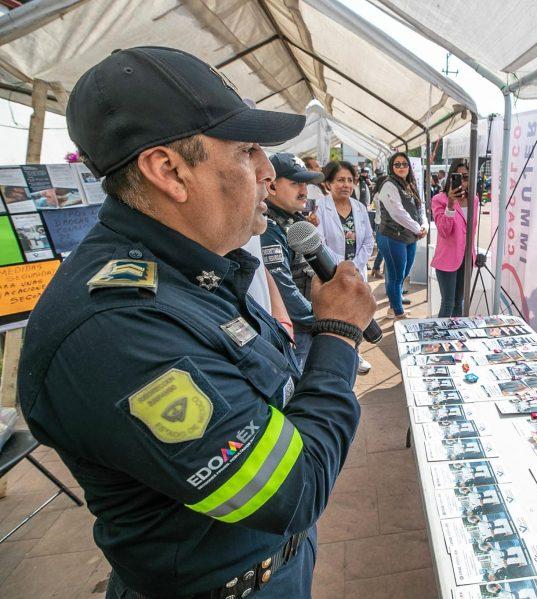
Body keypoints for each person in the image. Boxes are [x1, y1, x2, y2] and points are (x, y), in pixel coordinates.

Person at [18, 47, 376, 599]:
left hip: (276, 567)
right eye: (247, 150)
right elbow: (294, 488)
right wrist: (337, 335)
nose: (266, 171)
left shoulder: (194, 270)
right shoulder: (115, 329)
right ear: (169, 171)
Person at [260, 152, 322, 372]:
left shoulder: (294, 218)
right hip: (296, 329)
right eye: (295, 183)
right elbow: (282, 287)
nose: (304, 190)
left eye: (305, 183)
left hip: (308, 323)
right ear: (272, 187)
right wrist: (319, 318)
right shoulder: (269, 227)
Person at [318, 160, 376, 373]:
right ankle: (337, 360)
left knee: (358, 315)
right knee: (338, 317)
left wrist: (356, 265)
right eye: (340, 180)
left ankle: (356, 353)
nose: (346, 185)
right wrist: (342, 266)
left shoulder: (359, 208)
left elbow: (369, 240)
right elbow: (320, 242)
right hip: (333, 273)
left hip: (358, 271)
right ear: (329, 183)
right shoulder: (321, 208)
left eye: (350, 180)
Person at [375, 151, 426, 319]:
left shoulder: (410, 183)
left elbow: (421, 208)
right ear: (391, 167)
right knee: (396, 276)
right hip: (392, 237)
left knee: (402, 274)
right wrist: (418, 228)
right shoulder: (389, 185)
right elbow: (397, 213)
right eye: (397, 164)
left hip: (409, 236)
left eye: (404, 164)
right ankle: (397, 312)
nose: (402, 167)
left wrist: (423, 225)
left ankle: (393, 306)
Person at [431, 159, 477, 317]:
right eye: (458, 177)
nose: (463, 181)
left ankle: (457, 337)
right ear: (451, 178)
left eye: (466, 177)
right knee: (448, 302)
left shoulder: (474, 200)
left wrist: (474, 255)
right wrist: (450, 205)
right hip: (447, 259)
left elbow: (472, 231)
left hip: (466, 258)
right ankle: (441, 337)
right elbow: (443, 231)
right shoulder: (439, 199)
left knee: (460, 302)